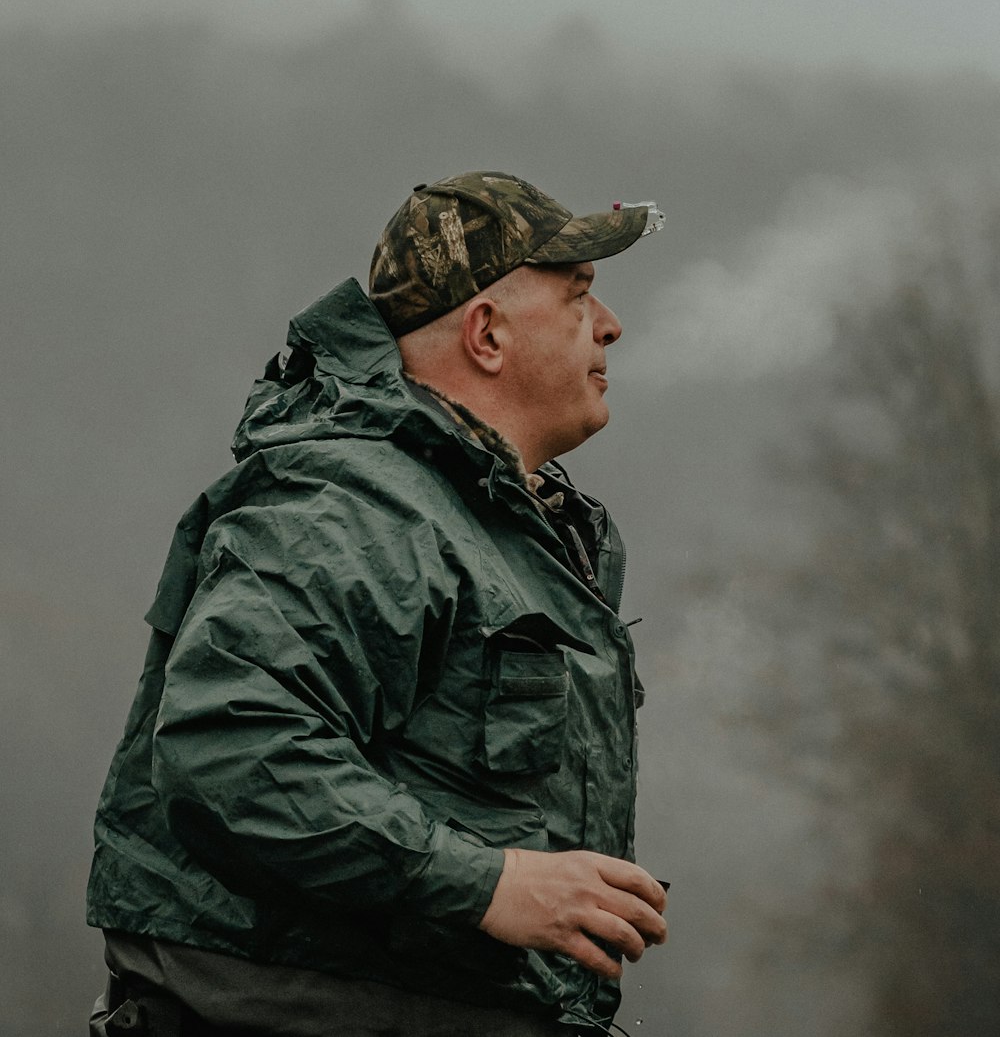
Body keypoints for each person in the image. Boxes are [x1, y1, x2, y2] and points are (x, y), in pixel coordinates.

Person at [87, 171, 668, 1037]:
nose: (611, 325)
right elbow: (234, 740)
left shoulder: (469, 515)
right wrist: (490, 883)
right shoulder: (353, 506)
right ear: (488, 332)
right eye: (581, 296)